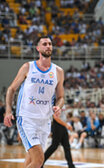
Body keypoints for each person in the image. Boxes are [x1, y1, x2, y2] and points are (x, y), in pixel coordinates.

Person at [4, 36, 65, 168]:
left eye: (50, 44)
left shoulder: (58, 72)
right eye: (44, 44)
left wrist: (59, 107)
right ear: (38, 48)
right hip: (26, 119)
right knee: (38, 160)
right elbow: (11, 89)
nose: (48, 46)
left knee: (31, 161)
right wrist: (8, 111)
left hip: (45, 121)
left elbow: (61, 97)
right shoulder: (28, 67)